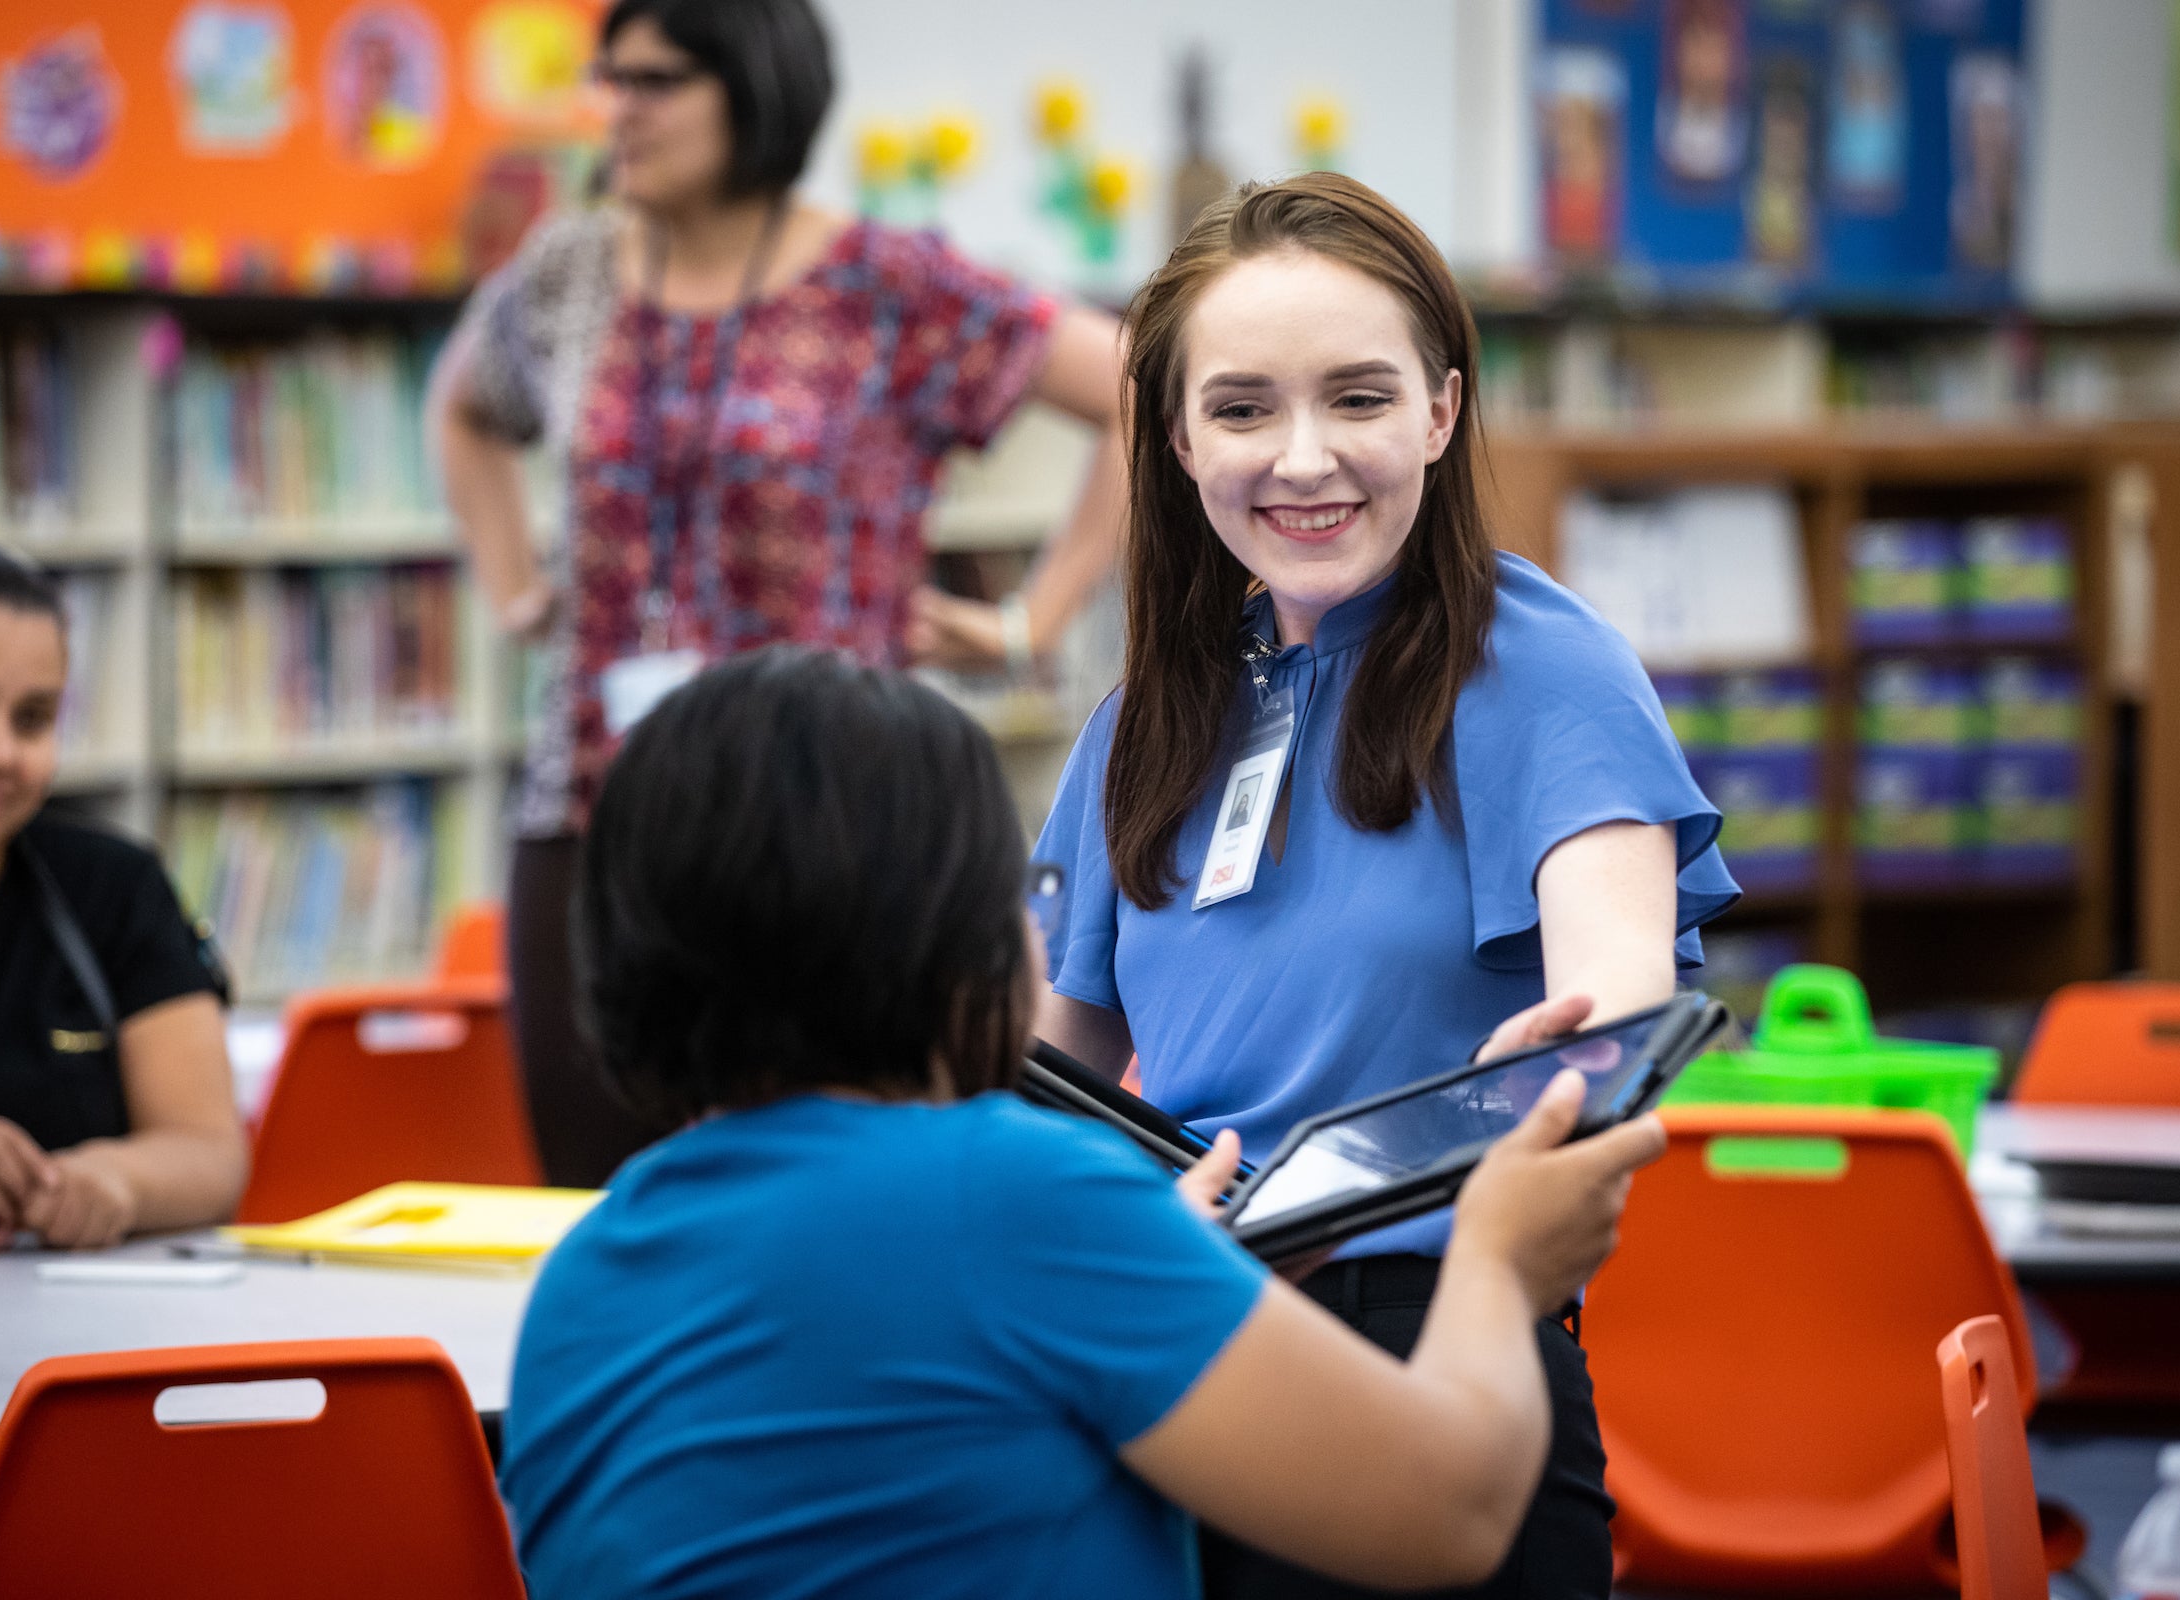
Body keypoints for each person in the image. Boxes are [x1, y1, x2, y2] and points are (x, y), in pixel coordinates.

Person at [499, 646, 1669, 1600]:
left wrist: (1170, 1276)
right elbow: (1450, 1514)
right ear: (942, 938)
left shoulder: (579, 1284)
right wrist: (1499, 1262)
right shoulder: (1012, 1193)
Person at [1030, 173, 1741, 1600]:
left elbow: (1615, 994)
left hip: (1435, 1340)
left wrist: (1574, 1050)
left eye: (1357, 398)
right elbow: (1055, 1080)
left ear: (1441, 411)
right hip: (1177, 1357)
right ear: (1174, 442)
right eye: (1241, 410)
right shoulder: (1140, 725)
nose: (1302, 460)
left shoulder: (1542, 663)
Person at [429, 0, 1129, 1188]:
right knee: (601, 1201)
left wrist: (1035, 619)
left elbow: (1136, 388)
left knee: (852, 1191)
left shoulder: (885, 283)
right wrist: (512, 586)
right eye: (612, 79)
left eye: (656, 82)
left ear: (754, 90)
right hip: (598, 805)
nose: (620, 110)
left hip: (837, 817)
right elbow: (461, 403)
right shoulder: (572, 268)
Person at [0, 542, 244, 1247]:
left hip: (82, 1338)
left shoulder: (115, 886)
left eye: (32, 719)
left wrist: (116, 1179)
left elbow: (210, 1150)